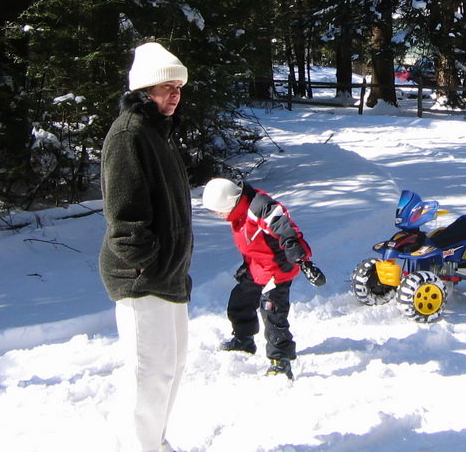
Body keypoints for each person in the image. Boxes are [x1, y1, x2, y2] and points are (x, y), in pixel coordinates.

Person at [99, 42, 192, 452]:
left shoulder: (157, 133)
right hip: (142, 277)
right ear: (143, 90)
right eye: (165, 87)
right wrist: (146, 264)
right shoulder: (128, 135)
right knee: (148, 372)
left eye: (178, 87)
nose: (174, 94)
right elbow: (124, 219)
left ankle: (154, 443)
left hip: (169, 275)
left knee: (171, 368)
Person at [202, 177, 326, 379]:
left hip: (277, 270)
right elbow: (253, 242)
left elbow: (286, 229)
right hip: (257, 267)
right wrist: (246, 265)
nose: (218, 215)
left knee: (273, 314)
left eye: (217, 210)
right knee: (240, 300)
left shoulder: (260, 207)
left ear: (228, 202)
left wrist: (303, 260)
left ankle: (280, 361)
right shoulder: (239, 212)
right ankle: (244, 340)